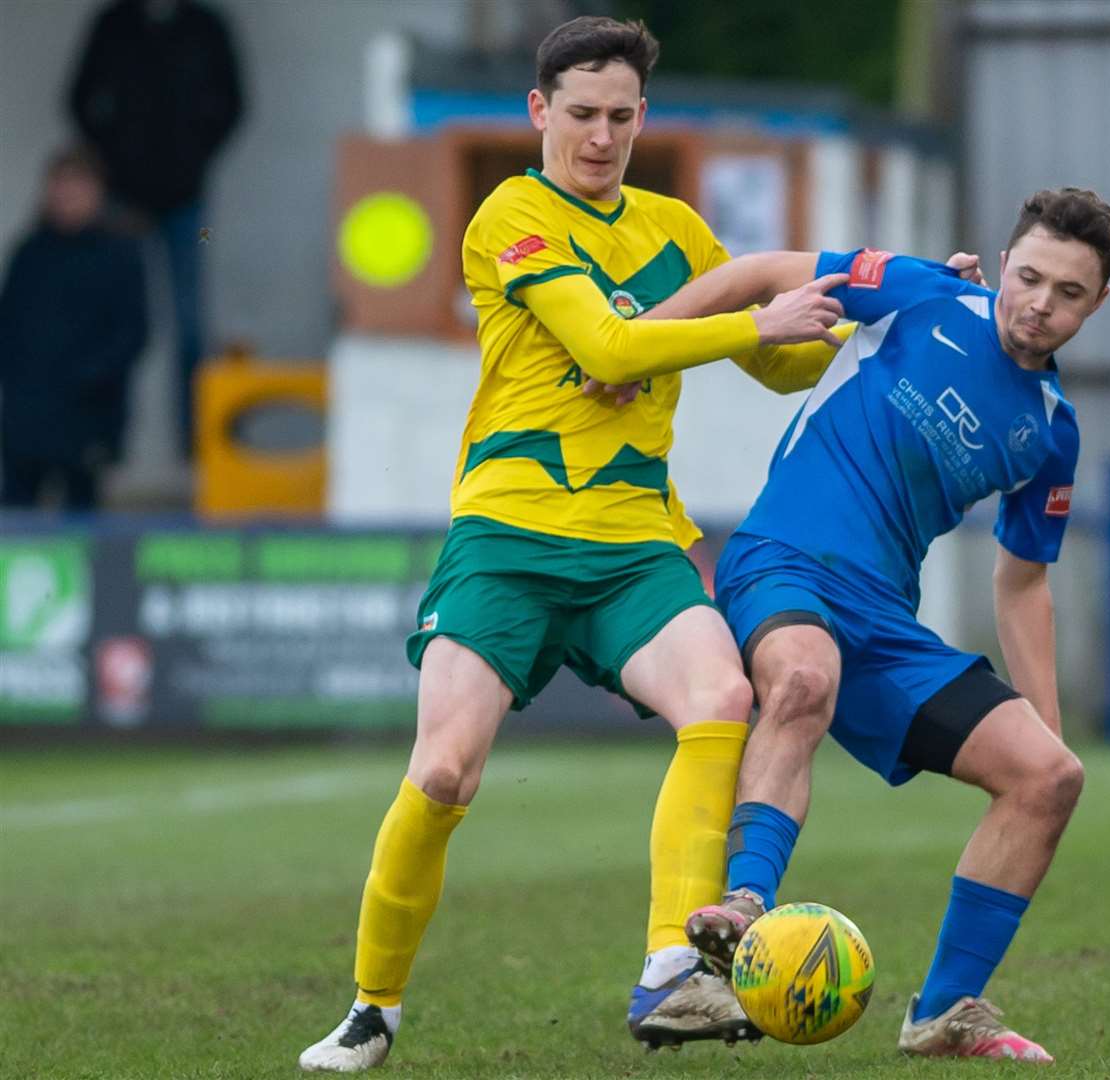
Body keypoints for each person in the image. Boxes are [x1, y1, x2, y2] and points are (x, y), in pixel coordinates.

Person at [298, 17, 849, 1072]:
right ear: (539, 113)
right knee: (447, 773)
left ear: (643, 117)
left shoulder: (676, 228)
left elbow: (780, 367)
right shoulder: (509, 214)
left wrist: (850, 310)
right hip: (506, 536)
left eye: (620, 116)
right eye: (581, 114)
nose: (600, 137)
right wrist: (750, 321)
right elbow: (609, 342)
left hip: (632, 540)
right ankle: (373, 1008)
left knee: (722, 700)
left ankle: (670, 974)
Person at [659, 189, 1110, 1062]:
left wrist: (1047, 728)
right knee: (801, 679)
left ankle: (944, 1012)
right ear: (1003, 261)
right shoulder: (921, 292)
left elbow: (1022, 584)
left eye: (1067, 292)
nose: (1039, 304)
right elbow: (758, 273)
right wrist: (638, 350)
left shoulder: (1050, 433)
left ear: (1096, 303)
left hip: (882, 621)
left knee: (1048, 778)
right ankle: (743, 915)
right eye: (1028, 277)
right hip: (781, 560)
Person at [68, 0, 244, 458]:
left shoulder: (206, 27)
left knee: (190, 321)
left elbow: (233, 104)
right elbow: (79, 98)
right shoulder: (113, 25)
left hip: (191, 207)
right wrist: (113, 161)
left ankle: (196, 446)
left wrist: (194, 157)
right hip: (121, 203)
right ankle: (105, 441)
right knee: (116, 321)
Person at [0, 147, 147, 510]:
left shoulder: (120, 255)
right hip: (26, 417)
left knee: (83, 522)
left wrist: (89, 377)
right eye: (59, 188)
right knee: (18, 518)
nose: (66, 199)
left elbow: (133, 332)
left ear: (97, 192)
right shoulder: (30, 253)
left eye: (76, 189)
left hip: (88, 417)